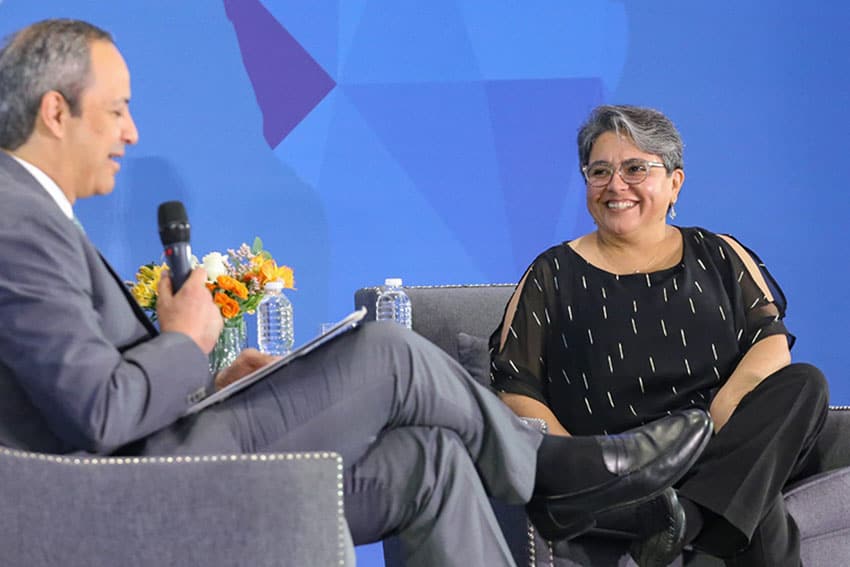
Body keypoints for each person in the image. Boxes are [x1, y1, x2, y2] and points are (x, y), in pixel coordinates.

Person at [0, 20, 714, 567]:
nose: (132, 130)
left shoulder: (32, 216)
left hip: (158, 455)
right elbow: (98, 413)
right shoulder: (16, 221)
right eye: (117, 109)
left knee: (428, 458)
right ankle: (553, 470)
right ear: (57, 112)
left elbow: (81, 388)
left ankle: (553, 475)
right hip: (127, 494)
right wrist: (184, 340)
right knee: (387, 353)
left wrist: (206, 376)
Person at [490, 104, 829, 566]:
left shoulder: (720, 253)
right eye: (599, 171)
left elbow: (768, 343)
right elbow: (514, 385)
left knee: (806, 383)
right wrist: (582, 465)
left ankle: (684, 517)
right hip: (622, 473)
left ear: (675, 183)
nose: (615, 185)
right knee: (757, 498)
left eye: (635, 168)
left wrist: (715, 431)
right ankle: (700, 520)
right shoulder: (552, 273)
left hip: (719, 442)